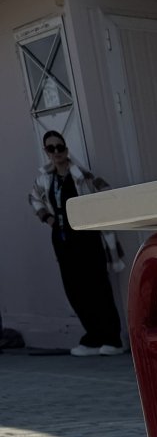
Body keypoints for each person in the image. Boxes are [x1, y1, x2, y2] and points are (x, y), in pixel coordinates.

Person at [28, 132, 125, 357]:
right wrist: (47, 218)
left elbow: (105, 192)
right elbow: (33, 198)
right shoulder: (46, 179)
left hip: (87, 239)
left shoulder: (81, 175)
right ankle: (93, 337)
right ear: (46, 152)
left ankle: (112, 338)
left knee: (98, 287)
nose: (56, 152)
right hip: (63, 240)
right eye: (51, 148)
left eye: (59, 147)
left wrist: (93, 215)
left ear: (66, 149)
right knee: (75, 290)